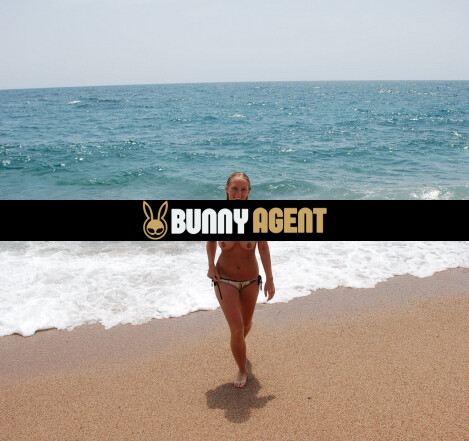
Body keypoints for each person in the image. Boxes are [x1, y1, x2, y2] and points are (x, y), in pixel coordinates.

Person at [206, 172, 275, 388]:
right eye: (234, 188)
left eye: (243, 189)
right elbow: (210, 242)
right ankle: (242, 370)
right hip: (224, 279)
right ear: (226, 189)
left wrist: (270, 279)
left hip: (251, 281)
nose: (238, 193)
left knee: (245, 325)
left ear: (249, 192)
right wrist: (210, 266)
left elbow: (263, 248)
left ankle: (239, 345)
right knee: (237, 330)